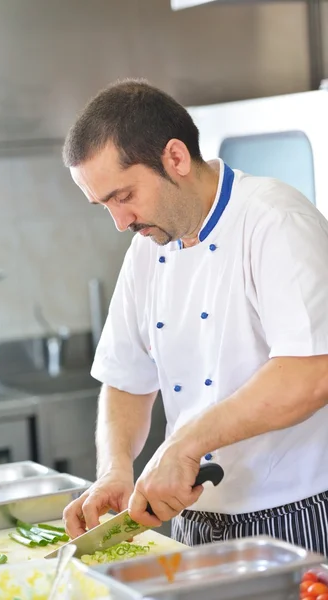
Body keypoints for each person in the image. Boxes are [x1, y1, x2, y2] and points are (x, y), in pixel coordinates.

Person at [62, 79, 328, 556]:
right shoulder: (147, 249)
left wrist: (184, 445)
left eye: (124, 196)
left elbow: (309, 375)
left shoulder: (274, 221)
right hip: (193, 523)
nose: (120, 222)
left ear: (176, 158)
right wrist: (115, 467)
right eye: (104, 205)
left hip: (297, 516)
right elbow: (125, 378)